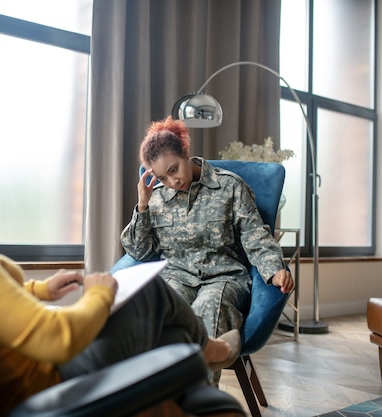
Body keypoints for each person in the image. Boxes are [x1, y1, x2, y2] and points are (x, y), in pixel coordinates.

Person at [0, 88, 241, 417]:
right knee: (150, 295)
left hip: (14, 367)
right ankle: (214, 349)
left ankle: (199, 358)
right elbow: (55, 339)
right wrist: (98, 294)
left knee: (172, 341)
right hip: (41, 382)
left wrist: (40, 291)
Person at [120, 116, 294, 385]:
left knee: (207, 309)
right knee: (159, 311)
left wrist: (275, 270)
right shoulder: (156, 198)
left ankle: (198, 404)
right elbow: (139, 252)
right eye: (161, 177)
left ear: (185, 152)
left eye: (174, 169)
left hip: (224, 278)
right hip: (177, 276)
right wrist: (142, 205)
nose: (172, 181)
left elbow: (255, 236)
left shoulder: (229, 186)